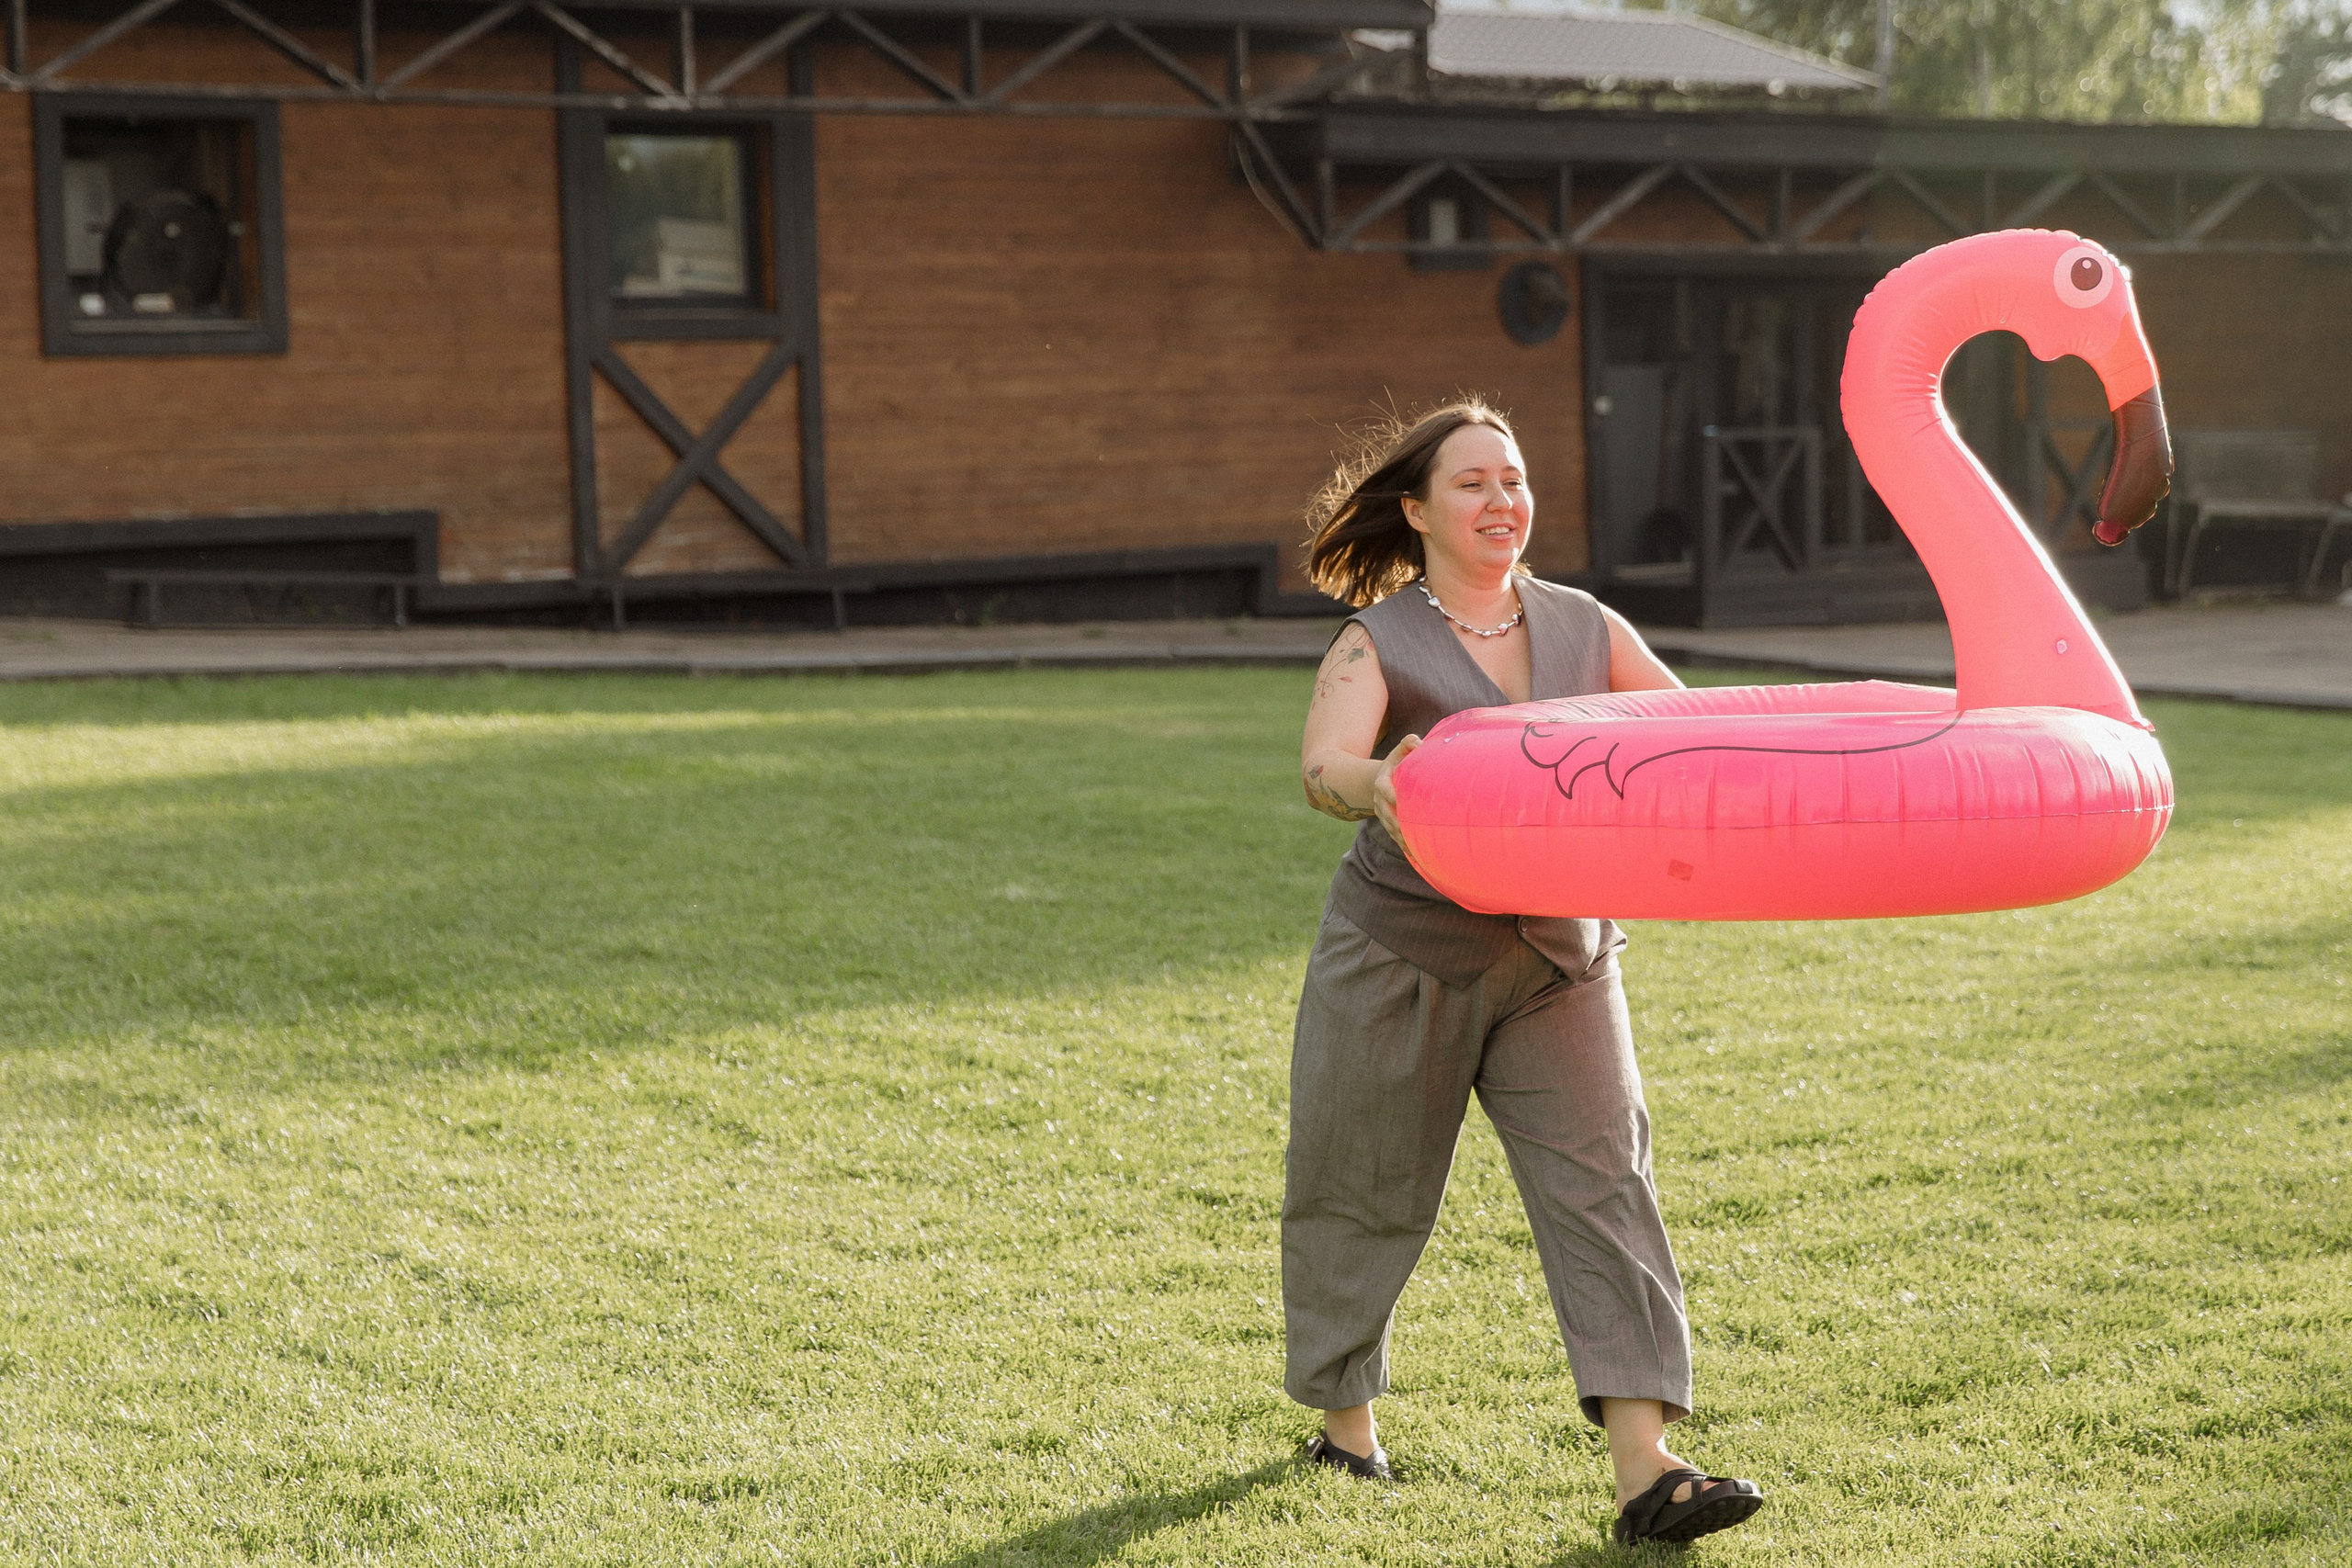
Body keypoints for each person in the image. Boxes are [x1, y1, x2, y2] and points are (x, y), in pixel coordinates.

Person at [1286, 400, 1765, 1547]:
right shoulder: (1378, 641)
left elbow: (1685, 733)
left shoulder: (1582, 623)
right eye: (1471, 484)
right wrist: (1383, 782)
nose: (1502, 502)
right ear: (1417, 511)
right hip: (1408, 951)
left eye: (1514, 479)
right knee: (1362, 1185)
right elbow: (1323, 767)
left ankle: (1648, 1472)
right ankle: (1344, 1427)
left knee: (1607, 1188)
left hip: (1561, 955)